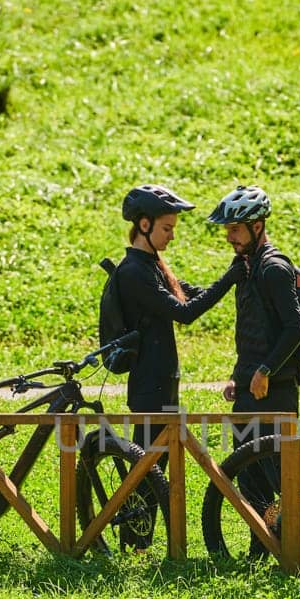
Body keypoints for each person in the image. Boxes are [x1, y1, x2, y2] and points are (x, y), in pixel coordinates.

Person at [113, 184, 244, 450]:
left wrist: (237, 278)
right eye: (167, 228)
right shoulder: (133, 272)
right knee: (149, 470)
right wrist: (231, 277)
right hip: (149, 385)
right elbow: (185, 312)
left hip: (163, 382)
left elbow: (193, 294)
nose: (172, 236)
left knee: (159, 468)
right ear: (145, 224)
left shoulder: (150, 265)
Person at [207, 185, 300, 429]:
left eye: (235, 229)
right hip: (247, 388)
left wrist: (265, 372)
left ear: (257, 226)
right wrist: (237, 377)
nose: (229, 237)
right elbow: (253, 328)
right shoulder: (244, 265)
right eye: (228, 230)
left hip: (273, 390)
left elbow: (295, 328)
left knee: (276, 465)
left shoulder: (274, 269)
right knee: (243, 465)